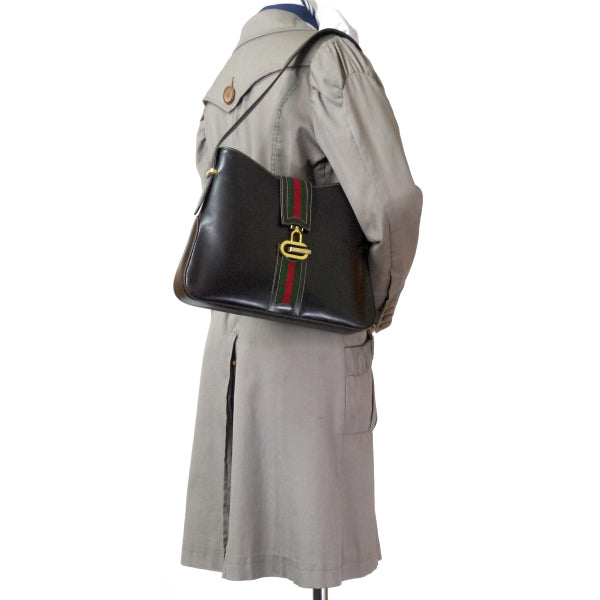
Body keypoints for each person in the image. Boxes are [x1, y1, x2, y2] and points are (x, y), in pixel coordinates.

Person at [179, 0, 423, 589]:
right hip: (314, 336)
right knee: (314, 533)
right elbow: (391, 202)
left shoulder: (226, 75)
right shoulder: (328, 59)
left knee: (261, 524)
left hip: (233, 344)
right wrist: (376, 303)